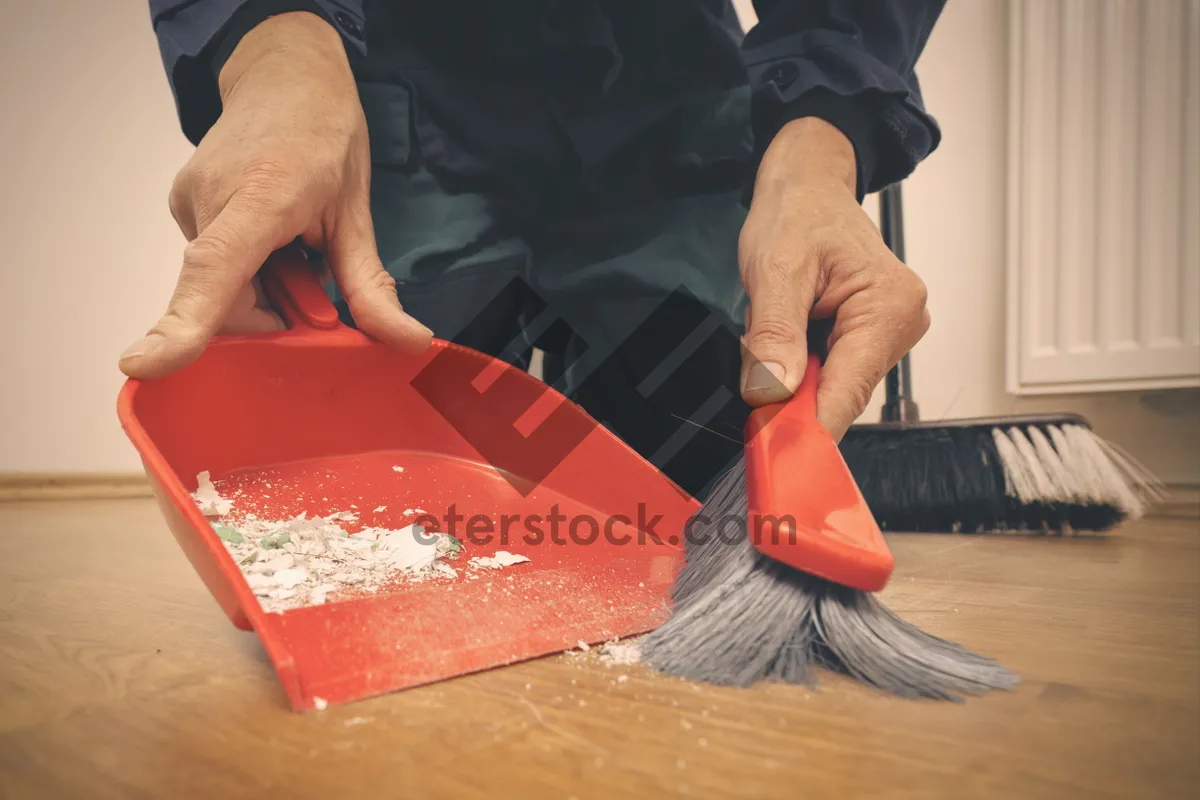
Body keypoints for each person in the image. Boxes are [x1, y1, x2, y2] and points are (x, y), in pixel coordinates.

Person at [125, 1, 940, 498]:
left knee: (710, 452)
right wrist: (278, 52)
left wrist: (822, 144)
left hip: (663, 105)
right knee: (390, 462)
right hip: (410, 99)